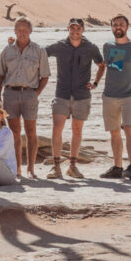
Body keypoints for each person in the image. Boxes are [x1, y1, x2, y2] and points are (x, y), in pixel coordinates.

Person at [43, 18, 104, 179]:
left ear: (83, 29)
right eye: (72, 28)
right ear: (68, 29)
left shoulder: (90, 47)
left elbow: (102, 64)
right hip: (61, 94)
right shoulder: (59, 46)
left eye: (78, 28)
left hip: (82, 95)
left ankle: (72, 166)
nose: (75, 31)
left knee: (77, 130)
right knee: (57, 128)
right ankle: (56, 167)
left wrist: (95, 83)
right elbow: (41, 53)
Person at [96, 14, 131, 180]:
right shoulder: (107, 46)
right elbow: (112, 67)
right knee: (114, 132)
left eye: (121, 24)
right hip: (110, 95)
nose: (118, 27)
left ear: (127, 27)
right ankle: (118, 167)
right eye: (115, 25)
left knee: (129, 129)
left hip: (129, 96)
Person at [0, 18, 49, 179]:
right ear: (15, 31)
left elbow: (44, 76)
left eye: (25, 30)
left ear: (31, 31)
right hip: (10, 94)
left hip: (30, 94)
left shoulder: (39, 50)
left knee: (31, 131)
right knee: (14, 132)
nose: (22, 33)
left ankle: (31, 169)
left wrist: (35, 93)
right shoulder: (8, 50)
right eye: (19, 30)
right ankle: (17, 167)